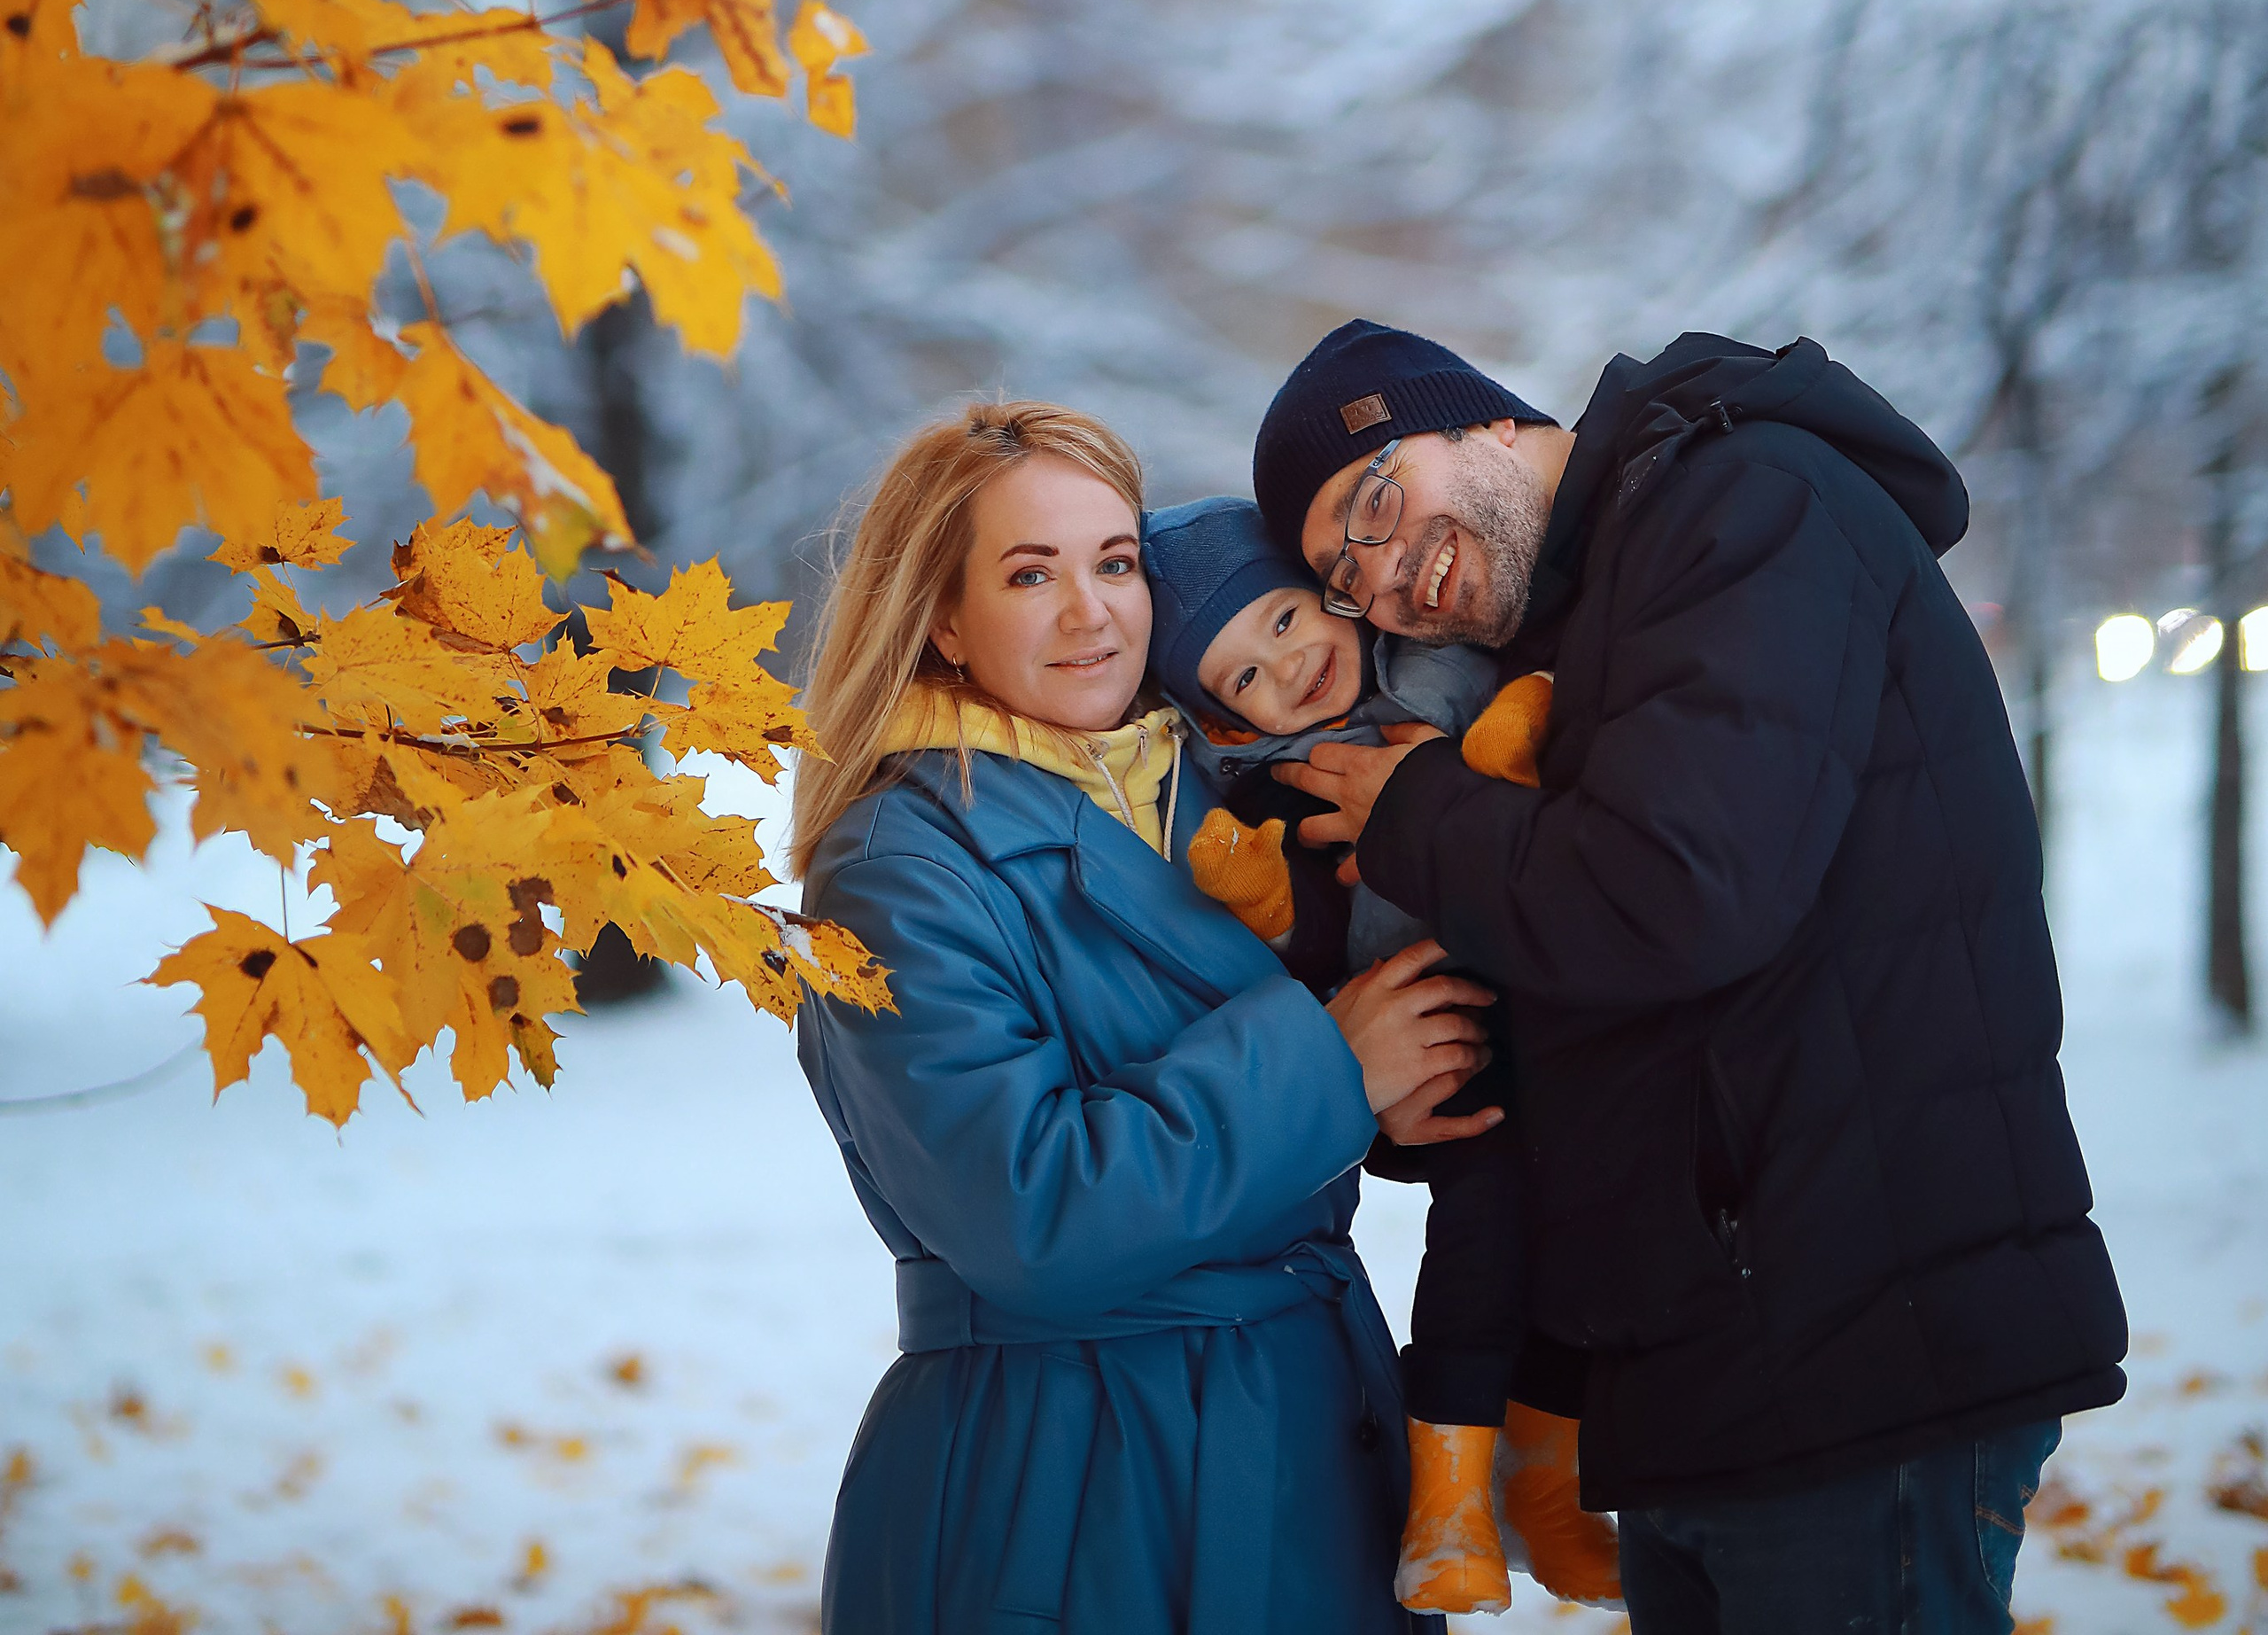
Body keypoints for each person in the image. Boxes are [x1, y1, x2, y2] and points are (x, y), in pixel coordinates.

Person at [1250, 318, 2129, 1635]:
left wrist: (1416, 811)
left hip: (1856, 1353)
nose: (1383, 579)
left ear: (1486, 420)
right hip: (1715, 1368)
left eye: (1376, 504)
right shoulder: (1587, 614)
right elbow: (1611, 974)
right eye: (1342, 577)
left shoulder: (1747, 500)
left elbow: (1681, 891)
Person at [788, 398, 1495, 1635]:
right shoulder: (896, 866)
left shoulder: (1206, 795)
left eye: (1115, 562)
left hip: (1306, 1427)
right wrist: (1330, 1065)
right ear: (942, 617)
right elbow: (1028, 1211)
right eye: (1030, 573)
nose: (1092, 611)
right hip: (1076, 1476)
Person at [1143, 493, 1619, 1618]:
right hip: (1452, 1037)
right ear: (1224, 721)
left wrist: (1513, 735)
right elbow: (1315, 935)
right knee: (1484, 1246)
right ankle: (1445, 1500)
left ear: (1333, 592)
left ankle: (1547, 1492)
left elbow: (1564, 749)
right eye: (1241, 679)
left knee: (1588, 1255)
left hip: (1568, 1014)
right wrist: (1271, 901)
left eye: (1279, 621)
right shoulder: (1280, 785)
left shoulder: (1455, 666)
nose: (1283, 671)